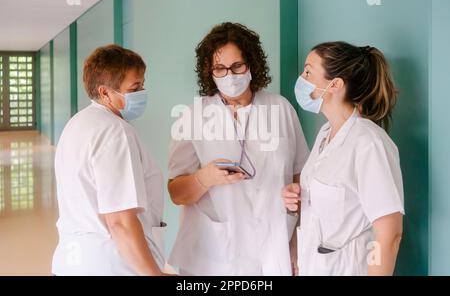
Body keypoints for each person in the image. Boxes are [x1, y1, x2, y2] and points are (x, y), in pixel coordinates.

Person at [167, 22, 309, 276]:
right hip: (215, 256)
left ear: (252, 64)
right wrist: (204, 178)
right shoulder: (193, 116)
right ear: (209, 72)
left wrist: (296, 243)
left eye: (237, 66)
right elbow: (177, 193)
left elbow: (301, 177)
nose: (230, 76)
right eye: (219, 69)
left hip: (273, 246)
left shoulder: (281, 108)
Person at [283, 41, 404, 276]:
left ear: (335, 84)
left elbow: (390, 233)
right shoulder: (325, 134)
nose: (301, 77)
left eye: (308, 71)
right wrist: (300, 196)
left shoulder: (369, 142)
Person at [52, 44, 170, 276]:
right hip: (110, 265)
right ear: (105, 92)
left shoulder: (77, 123)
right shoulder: (115, 132)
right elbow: (121, 222)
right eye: (135, 87)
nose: (143, 91)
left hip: (70, 263)